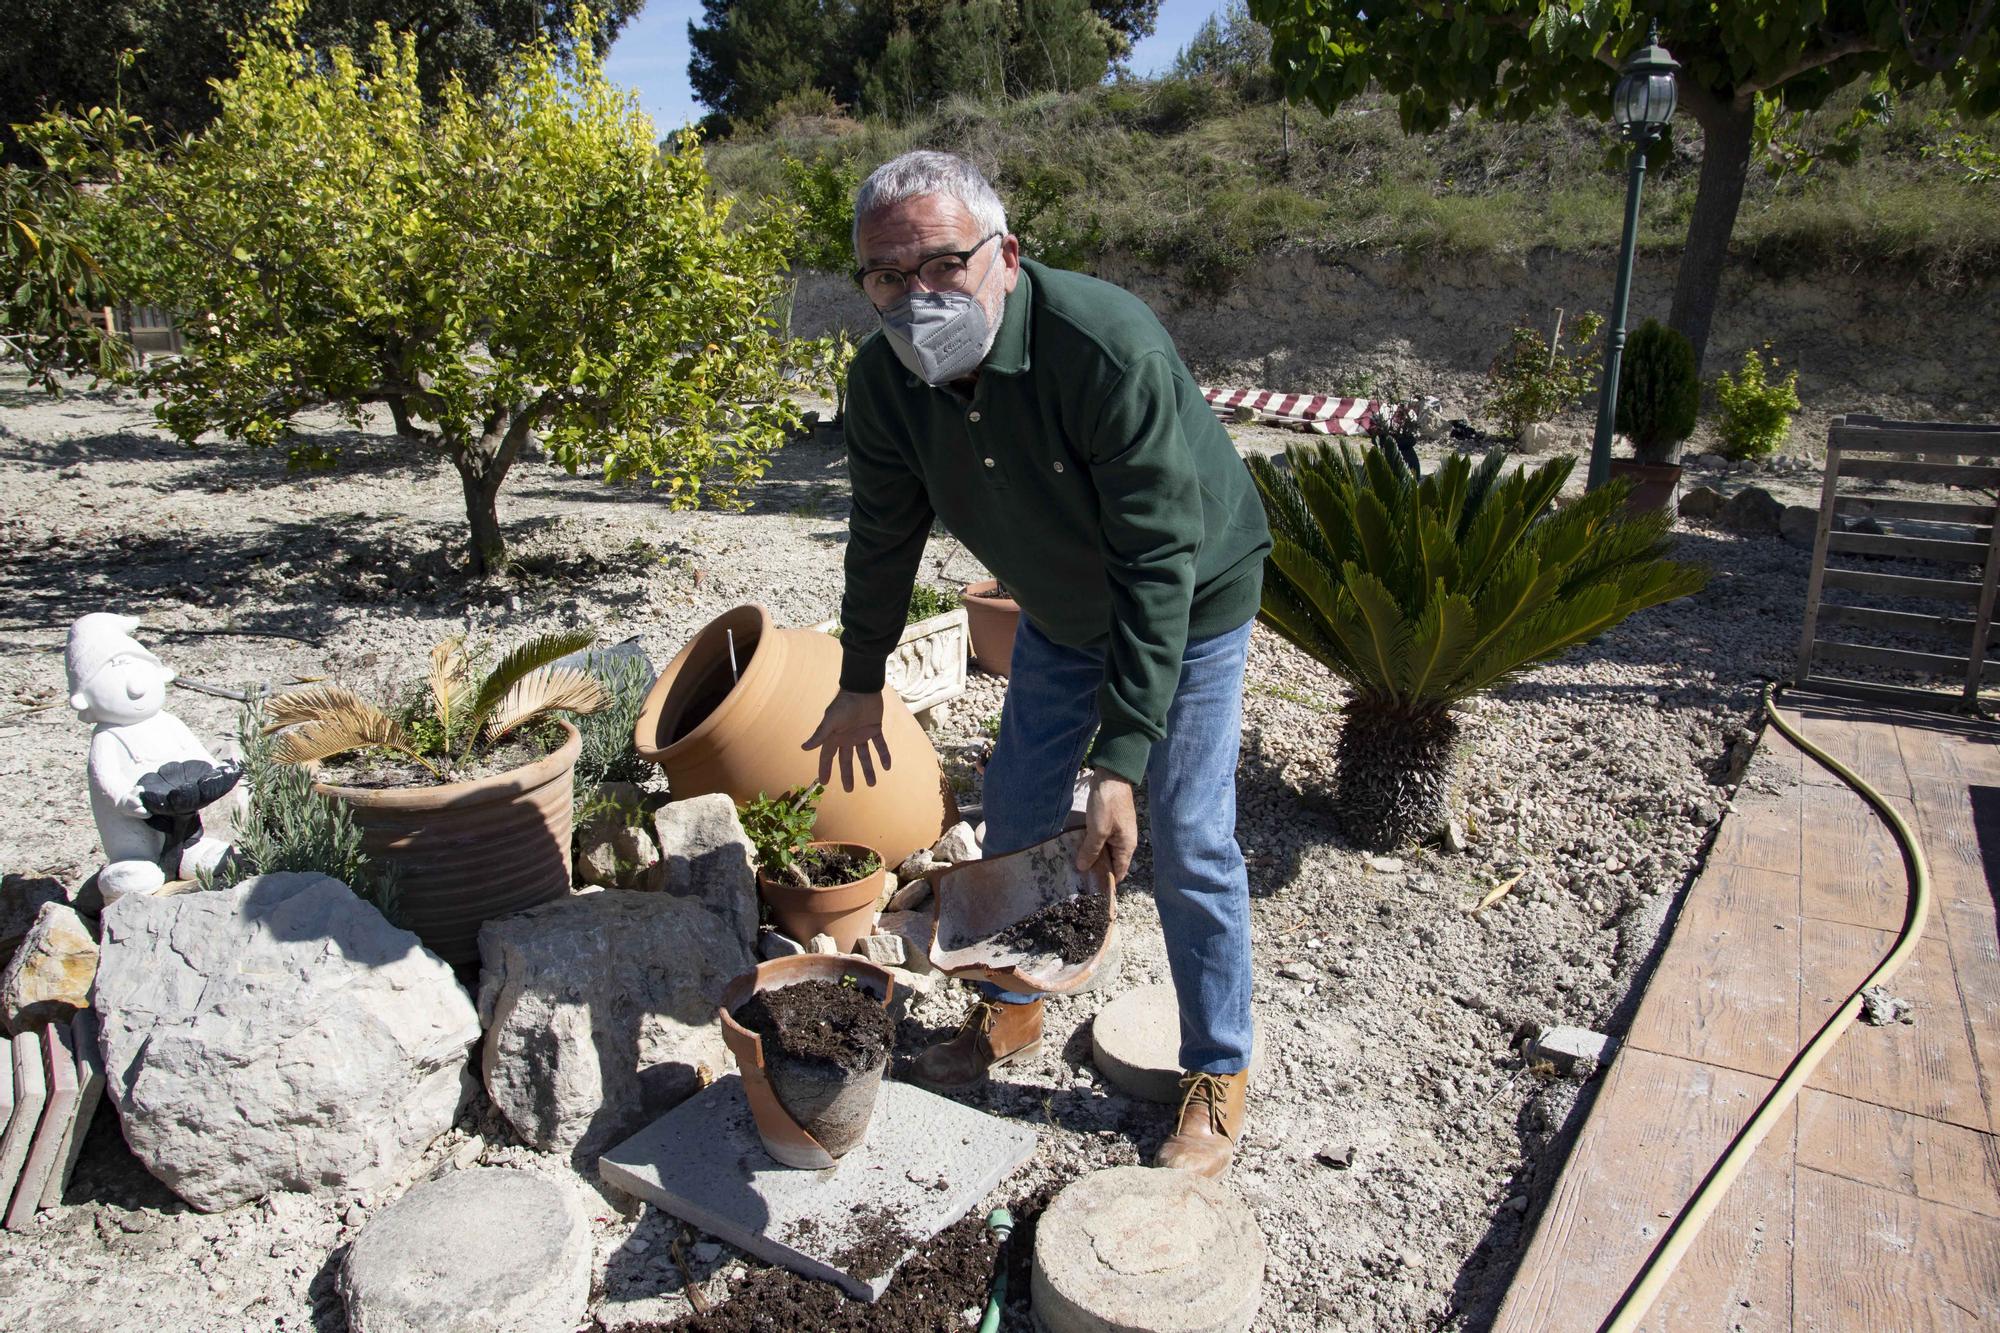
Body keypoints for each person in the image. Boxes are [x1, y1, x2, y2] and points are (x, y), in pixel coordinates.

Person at [801, 151, 1270, 1179]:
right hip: (1059, 607)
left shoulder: (1101, 348)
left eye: (939, 265)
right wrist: (861, 675)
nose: (912, 296)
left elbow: (1157, 560)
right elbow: (882, 534)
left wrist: (1120, 760)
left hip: (1188, 600)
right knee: (1012, 815)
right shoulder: (884, 383)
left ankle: (1217, 1070)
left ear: (1003, 256)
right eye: (884, 276)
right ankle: (1011, 1008)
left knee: (1186, 837)